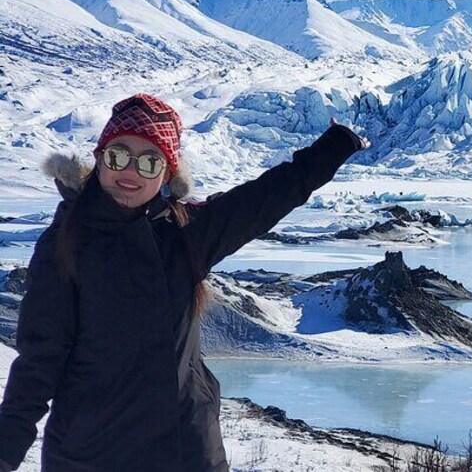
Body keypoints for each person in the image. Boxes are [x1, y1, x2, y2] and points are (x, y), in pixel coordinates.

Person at [0, 93, 367, 471]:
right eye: (118, 155)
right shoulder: (66, 239)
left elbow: (268, 197)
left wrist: (335, 146)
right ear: (99, 158)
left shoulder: (186, 233)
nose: (130, 172)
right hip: (92, 454)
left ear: (166, 174)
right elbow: (40, 360)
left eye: (149, 161)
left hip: (188, 450)